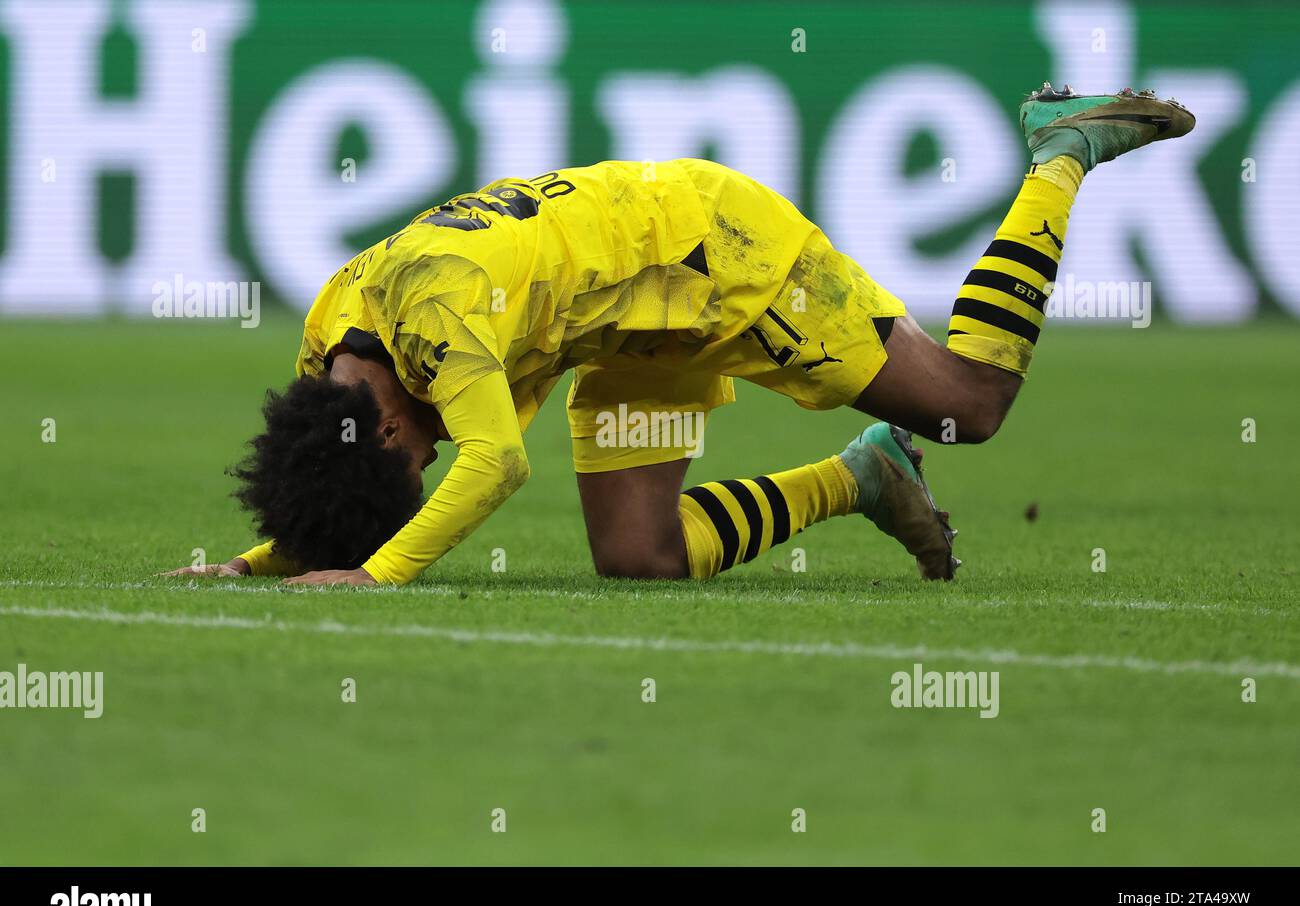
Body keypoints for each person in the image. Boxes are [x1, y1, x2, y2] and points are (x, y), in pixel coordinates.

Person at [163, 84, 1194, 587]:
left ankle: (1061, 151)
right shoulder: (332, 346)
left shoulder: (433, 316)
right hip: (622, 333)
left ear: (388, 432)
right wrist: (260, 563)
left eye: (412, 464)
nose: (426, 461)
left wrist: (375, 575)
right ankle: (861, 477)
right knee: (640, 556)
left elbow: (494, 462)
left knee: (970, 405)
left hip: (715, 255)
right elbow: (358, 476)